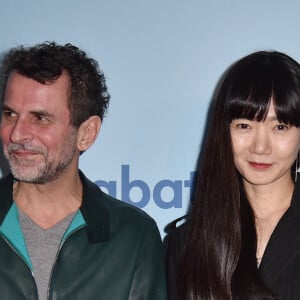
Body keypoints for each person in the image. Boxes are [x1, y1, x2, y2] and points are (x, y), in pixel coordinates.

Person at [0, 42, 167, 300]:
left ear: (86, 134)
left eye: (40, 118)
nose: (17, 133)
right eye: (10, 114)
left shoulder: (133, 237)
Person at [164, 51, 300, 299]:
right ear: (222, 131)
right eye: (244, 126)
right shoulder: (186, 244)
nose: (260, 147)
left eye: (279, 127)